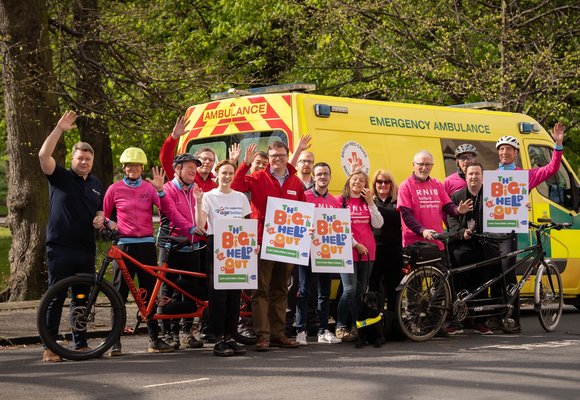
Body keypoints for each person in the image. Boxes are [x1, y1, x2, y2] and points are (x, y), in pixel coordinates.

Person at [38, 111, 105, 362]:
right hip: (61, 247)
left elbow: (99, 208)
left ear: (92, 160)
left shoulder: (97, 184)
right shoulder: (60, 177)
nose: (84, 162)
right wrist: (58, 129)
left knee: (81, 297)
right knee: (55, 297)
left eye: (88, 158)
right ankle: (50, 346)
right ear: (72, 159)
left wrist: (100, 215)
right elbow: (44, 155)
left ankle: (80, 344)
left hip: (85, 249)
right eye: (80, 158)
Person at [491, 122, 565, 332]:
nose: (505, 152)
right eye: (502, 149)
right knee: (493, 273)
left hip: (509, 231)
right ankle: (494, 317)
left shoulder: (525, 175)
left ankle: (512, 318)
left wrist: (558, 145)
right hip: (491, 231)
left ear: (515, 153)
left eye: (509, 149)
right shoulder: (491, 175)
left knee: (508, 272)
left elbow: (552, 169)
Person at [231, 142, 305, 351]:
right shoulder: (258, 177)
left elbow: (302, 211)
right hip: (263, 241)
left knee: (281, 289)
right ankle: (262, 335)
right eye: (273, 156)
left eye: (280, 155)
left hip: (287, 244)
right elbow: (236, 187)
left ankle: (277, 334)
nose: (276, 159)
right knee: (260, 291)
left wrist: (305, 231)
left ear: (287, 156)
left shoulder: (296, 182)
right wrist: (244, 164)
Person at [102, 147, 174, 355]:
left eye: (137, 165)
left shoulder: (149, 188)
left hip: (146, 245)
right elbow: (103, 216)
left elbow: (166, 210)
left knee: (149, 293)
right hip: (123, 246)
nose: (133, 168)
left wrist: (160, 190)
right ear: (124, 168)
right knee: (119, 293)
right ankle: (115, 341)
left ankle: (154, 339)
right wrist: (109, 224)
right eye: (129, 165)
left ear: (142, 168)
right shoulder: (114, 189)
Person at [194, 160, 251, 356]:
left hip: (237, 246)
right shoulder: (209, 197)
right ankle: (218, 339)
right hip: (217, 245)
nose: (227, 176)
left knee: (234, 296)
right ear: (216, 175)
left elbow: (246, 224)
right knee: (218, 295)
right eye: (223, 173)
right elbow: (201, 225)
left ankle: (230, 336)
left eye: (230, 173)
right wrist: (199, 202)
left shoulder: (241, 197)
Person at [150, 154, 205, 350]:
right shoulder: (167, 189)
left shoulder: (196, 190)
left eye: (195, 167)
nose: (193, 170)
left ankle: (186, 332)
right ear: (177, 169)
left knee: (190, 291)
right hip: (171, 246)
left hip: (192, 246)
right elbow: (171, 213)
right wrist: (190, 228)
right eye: (189, 166)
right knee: (168, 290)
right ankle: (169, 333)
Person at [295, 162, 342, 345]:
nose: (323, 177)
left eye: (326, 174)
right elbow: (295, 223)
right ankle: (301, 330)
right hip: (306, 252)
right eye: (319, 174)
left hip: (327, 253)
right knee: (304, 291)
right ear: (313, 177)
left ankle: (323, 330)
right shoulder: (303, 197)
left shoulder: (335, 202)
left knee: (325, 292)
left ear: (330, 177)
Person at [335, 170, 384, 342]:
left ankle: (358, 326)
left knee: (361, 292)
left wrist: (371, 202)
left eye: (362, 180)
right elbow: (338, 227)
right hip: (347, 250)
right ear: (349, 181)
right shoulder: (340, 201)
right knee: (350, 289)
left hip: (368, 251)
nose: (358, 182)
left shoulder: (367, 201)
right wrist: (356, 244)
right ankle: (340, 325)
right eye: (355, 179)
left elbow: (378, 223)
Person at [446, 163, 494, 335]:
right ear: (465, 177)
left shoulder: (492, 194)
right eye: (470, 174)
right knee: (459, 284)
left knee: (481, 285)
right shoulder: (457, 195)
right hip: (461, 247)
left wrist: (523, 209)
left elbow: (508, 210)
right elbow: (450, 220)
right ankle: (457, 321)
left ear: (483, 176)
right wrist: (461, 233)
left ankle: (480, 322)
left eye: (477, 174)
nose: (474, 177)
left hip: (483, 246)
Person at [397, 150, 473, 251]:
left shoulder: (437, 184)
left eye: (428, 164)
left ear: (432, 166)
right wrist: (422, 231)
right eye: (421, 164)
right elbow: (406, 215)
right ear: (413, 165)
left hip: (437, 241)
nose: (424, 168)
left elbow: (447, 206)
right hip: (415, 244)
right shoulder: (405, 186)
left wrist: (457, 210)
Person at [368, 169, 403, 312]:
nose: (383, 184)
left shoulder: (398, 201)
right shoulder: (369, 200)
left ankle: (393, 324)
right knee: (373, 287)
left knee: (394, 288)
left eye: (386, 181)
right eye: (379, 181)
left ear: (391, 184)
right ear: (374, 184)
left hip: (394, 250)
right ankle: (374, 322)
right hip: (374, 249)